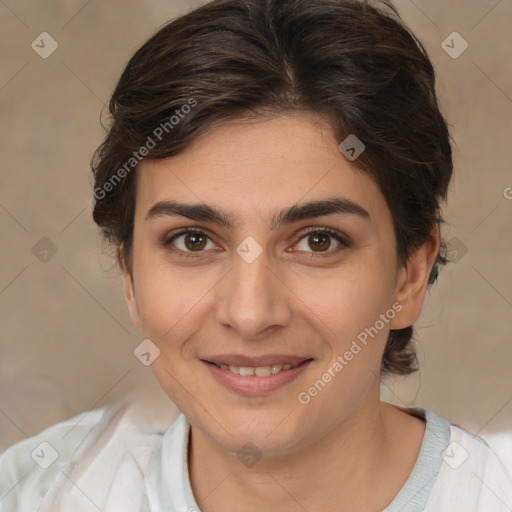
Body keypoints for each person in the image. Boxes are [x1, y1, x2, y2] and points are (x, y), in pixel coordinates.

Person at [1, 0, 511, 510]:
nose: (249, 314)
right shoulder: (34, 492)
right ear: (129, 274)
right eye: (193, 240)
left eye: (318, 241)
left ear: (411, 275)